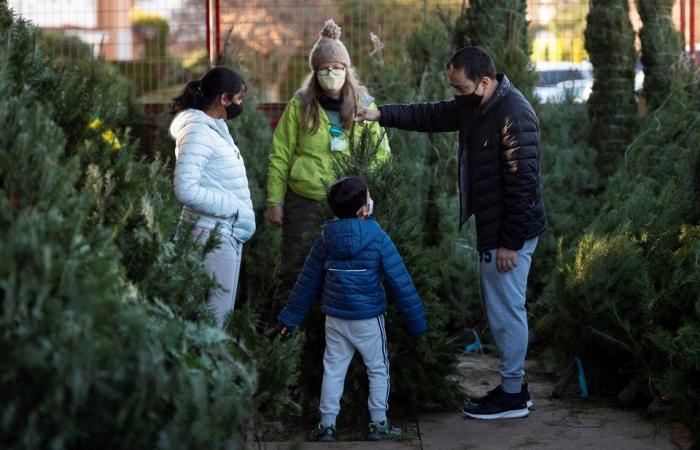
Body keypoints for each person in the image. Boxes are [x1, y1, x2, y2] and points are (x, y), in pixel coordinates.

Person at [355, 46, 547, 420]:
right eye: (454, 88)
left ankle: (513, 397)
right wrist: (381, 115)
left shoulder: (514, 115)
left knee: (507, 312)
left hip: (510, 234)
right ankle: (512, 387)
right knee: (499, 310)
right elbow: (431, 113)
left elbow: (524, 184)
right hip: (496, 228)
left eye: (461, 88)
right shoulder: (477, 104)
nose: (456, 96)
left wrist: (510, 242)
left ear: (485, 81)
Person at [278, 176, 426, 442]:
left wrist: (289, 318)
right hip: (369, 319)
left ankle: (326, 425)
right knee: (378, 368)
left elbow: (307, 280)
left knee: (333, 368)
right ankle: (379, 423)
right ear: (364, 209)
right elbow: (400, 280)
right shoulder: (377, 235)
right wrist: (417, 324)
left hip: (335, 318)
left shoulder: (326, 237)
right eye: (368, 196)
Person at [266, 19, 390, 322]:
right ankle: (289, 333)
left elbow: (381, 153)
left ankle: (333, 332)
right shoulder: (299, 106)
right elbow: (280, 154)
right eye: (325, 68)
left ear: (347, 69)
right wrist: (274, 201)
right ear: (315, 71)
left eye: (338, 66)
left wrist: (367, 195)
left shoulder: (365, 104)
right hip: (305, 200)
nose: (332, 73)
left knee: (344, 272)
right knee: (296, 268)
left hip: (349, 206)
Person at [170, 66, 256, 328]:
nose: (241, 104)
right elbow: (185, 188)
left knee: (213, 321)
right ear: (224, 98)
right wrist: (234, 209)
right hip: (210, 236)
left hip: (219, 234)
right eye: (239, 97)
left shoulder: (214, 129)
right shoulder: (198, 131)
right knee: (212, 325)